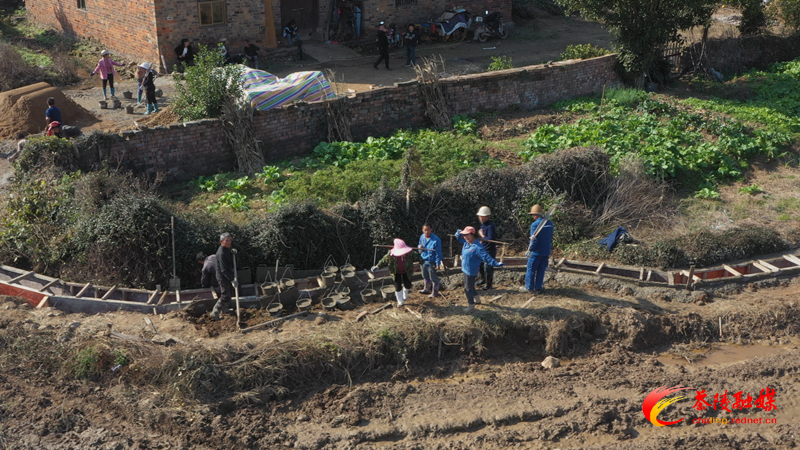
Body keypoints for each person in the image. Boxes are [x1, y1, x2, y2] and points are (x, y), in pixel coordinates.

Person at [456, 227, 504, 311]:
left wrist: (496, 263)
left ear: (472, 234)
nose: (465, 237)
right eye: (464, 235)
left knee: (467, 289)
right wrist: (458, 233)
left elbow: (486, 257)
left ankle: (471, 306)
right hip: (465, 269)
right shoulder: (467, 243)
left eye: (467, 235)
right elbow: (458, 238)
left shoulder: (477, 247)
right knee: (471, 286)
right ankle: (477, 300)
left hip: (471, 271)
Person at [372, 238, 424, 307]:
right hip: (395, 272)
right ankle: (400, 301)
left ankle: (405, 292)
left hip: (407, 271)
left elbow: (419, 257)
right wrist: (377, 267)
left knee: (408, 284)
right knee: (397, 286)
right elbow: (383, 261)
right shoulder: (390, 255)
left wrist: (423, 262)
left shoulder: (411, 253)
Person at [524, 204, 554, 294]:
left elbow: (534, 240)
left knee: (531, 270)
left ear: (535, 215)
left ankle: (529, 288)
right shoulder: (550, 223)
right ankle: (538, 288)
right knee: (541, 270)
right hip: (546, 251)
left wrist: (530, 250)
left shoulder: (535, 225)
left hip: (536, 252)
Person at [211, 233, 237, 320]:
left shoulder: (226, 249)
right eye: (227, 241)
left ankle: (224, 309)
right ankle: (215, 313)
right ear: (221, 241)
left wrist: (231, 252)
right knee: (225, 295)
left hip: (226, 275)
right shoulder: (221, 253)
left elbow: (228, 254)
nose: (229, 242)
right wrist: (232, 280)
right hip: (222, 276)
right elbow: (223, 270)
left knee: (228, 294)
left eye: (230, 240)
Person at [418, 223, 444, 297]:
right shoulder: (422, 237)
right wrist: (420, 248)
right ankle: (426, 289)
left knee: (433, 277)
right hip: (423, 260)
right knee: (425, 275)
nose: (427, 231)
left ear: (431, 230)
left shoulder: (436, 239)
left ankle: (435, 292)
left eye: (428, 230)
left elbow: (438, 252)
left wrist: (438, 263)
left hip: (431, 261)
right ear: (423, 230)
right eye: (425, 230)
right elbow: (419, 247)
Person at [476, 206, 497, 290]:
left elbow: (491, 239)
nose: (480, 218)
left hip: (489, 250)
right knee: (480, 265)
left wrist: (482, 236)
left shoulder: (490, 226)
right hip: (483, 249)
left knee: (488, 267)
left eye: (482, 216)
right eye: (480, 216)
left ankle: (489, 285)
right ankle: (483, 279)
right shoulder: (483, 225)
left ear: (488, 216)